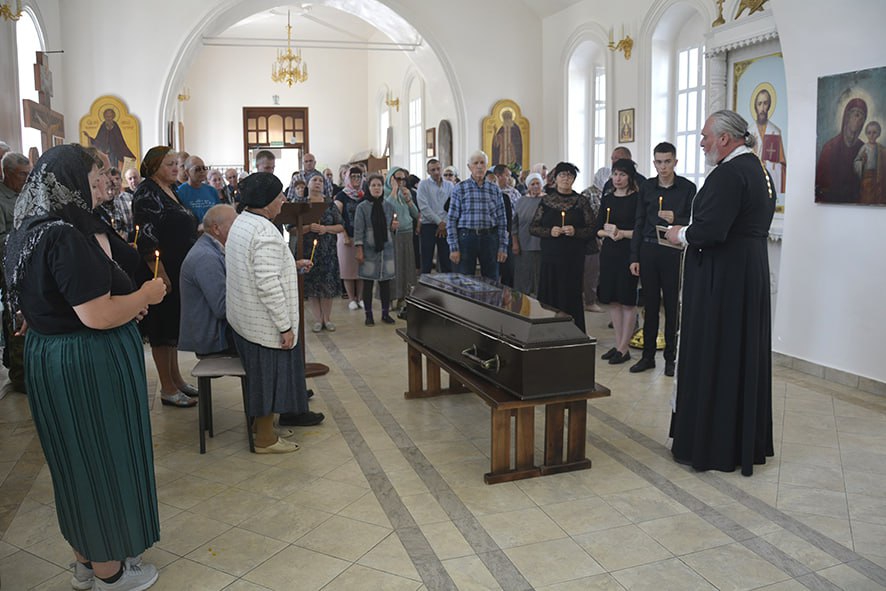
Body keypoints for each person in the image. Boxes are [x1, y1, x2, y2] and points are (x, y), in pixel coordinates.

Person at [5, 144, 167, 591]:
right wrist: (144, 296)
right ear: (69, 184)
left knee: (73, 461)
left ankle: (87, 562)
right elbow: (96, 315)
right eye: (93, 182)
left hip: (49, 353)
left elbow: (32, 303)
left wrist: (122, 303)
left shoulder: (26, 227)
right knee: (102, 458)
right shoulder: (64, 236)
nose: (99, 190)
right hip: (86, 360)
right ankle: (110, 573)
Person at [665, 109, 776, 476]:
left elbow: (711, 231)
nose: (701, 143)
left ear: (725, 139)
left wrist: (680, 234)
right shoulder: (758, 169)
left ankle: (712, 444)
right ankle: (739, 441)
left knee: (717, 351)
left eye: (705, 136)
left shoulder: (729, 174)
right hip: (747, 272)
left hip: (723, 279)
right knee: (738, 353)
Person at [226, 172, 323, 453]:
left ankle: (262, 428)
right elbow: (267, 284)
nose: (283, 200)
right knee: (266, 379)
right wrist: (285, 326)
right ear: (266, 200)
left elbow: (255, 266)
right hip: (263, 325)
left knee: (261, 378)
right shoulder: (265, 231)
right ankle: (265, 439)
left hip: (244, 320)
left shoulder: (242, 222)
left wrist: (291, 265)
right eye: (279, 195)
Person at [132, 146, 199, 407]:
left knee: (171, 327)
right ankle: (167, 388)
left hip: (177, 266)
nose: (175, 168)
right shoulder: (147, 192)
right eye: (169, 164)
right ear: (153, 166)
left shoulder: (171, 190)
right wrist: (159, 272)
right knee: (161, 328)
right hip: (160, 268)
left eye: (176, 164)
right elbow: (146, 234)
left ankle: (177, 379)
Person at [628, 142, 696, 376]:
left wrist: (676, 218)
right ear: (654, 163)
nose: (663, 166)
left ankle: (671, 357)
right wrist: (634, 256)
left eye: (667, 161)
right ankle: (647, 356)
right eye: (659, 162)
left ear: (675, 162)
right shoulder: (647, 187)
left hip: (673, 250)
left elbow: (695, 220)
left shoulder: (687, 188)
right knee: (650, 303)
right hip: (648, 249)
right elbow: (638, 222)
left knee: (671, 305)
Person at [529, 162, 595, 332]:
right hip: (551, 256)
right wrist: (550, 231)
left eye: (569, 175)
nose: (566, 179)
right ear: (555, 178)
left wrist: (575, 231)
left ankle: (572, 332)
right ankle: (548, 332)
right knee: (550, 295)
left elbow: (591, 229)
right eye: (562, 175)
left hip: (573, 258)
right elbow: (533, 227)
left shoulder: (581, 201)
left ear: (574, 179)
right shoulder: (546, 201)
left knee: (570, 294)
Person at [594, 159, 640, 365]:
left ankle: (624, 347)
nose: (618, 179)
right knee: (613, 299)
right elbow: (598, 229)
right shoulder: (608, 198)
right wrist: (608, 232)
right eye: (615, 174)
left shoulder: (637, 199)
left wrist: (622, 233)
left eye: (622, 174)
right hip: (610, 253)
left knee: (627, 300)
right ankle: (619, 343)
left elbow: (641, 230)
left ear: (630, 177)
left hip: (629, 252)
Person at [179, 204, 238, 356]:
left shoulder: (212, 248)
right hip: (215, 339)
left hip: (219, 333)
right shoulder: (206, 257)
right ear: (216, 229)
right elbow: (223, 308)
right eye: (234, 224)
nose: (239, 229)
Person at [446, 150, 508, 280]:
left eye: (482, 163)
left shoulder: (494, 189)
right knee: (464, 280)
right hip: (466, 238)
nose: (479, 166)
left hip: (489, 238)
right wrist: (453, 247)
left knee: (492, 279)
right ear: (469, 167)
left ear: (486, 166)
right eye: (475, 163)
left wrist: (503, 247)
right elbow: (451, 220)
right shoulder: (460, 188)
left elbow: (502, 220)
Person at [0, 152, 32, 394]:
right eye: (23, 174)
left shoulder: (27, 194)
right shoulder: (1, 200)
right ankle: (20, 374)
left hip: (29, 265)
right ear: (8, 173)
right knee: (16, 316)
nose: (27, 178)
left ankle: (30, 366)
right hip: (11, 268)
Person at [298, 175, 344, 332]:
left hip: (327, 251)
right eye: (314, 180)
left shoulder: (329, 204)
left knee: (327, 285)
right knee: (312, 285)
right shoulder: (301, 204)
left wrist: (326, 229)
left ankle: (327, 318)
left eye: (321, 181)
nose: (318, 183)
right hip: (308, 250)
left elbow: (340, 226)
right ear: (308, 184)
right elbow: (292, 229)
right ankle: (318, 319)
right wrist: (308, 228)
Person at [355, 173, 398, 325]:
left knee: (385, 283)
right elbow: (358, 230)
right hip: (369, 250)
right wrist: (359, 249)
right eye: (373, 185)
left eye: (379, 185)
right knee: (368, 283)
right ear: (368, 187)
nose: (377, 188)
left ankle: (385, 313)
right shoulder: (362, 207)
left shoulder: (389, 206)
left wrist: (394, 227)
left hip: (386, 250)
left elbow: (391, 229)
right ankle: (368, 315)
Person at [815, 98, 867, 203]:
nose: (859, 119)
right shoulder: (830, 147)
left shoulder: (863, 149)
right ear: (847, 116)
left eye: (862, 117)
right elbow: (820, 185)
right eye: (856, 114)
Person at [385, 167, 419, 312]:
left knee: (406, 267)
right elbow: (387, 208)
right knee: (394, 268)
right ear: (390, 179)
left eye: (403, 179)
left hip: (407, 233)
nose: (400, 182)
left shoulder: (404, 193)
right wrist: (393, 190)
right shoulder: (386, 193)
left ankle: (403, 298)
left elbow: (416, 214)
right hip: (394, 235)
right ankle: (390, 298)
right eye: (397, 179)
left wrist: (409, 200)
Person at [416, 158, 454, 274]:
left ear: (441, 168)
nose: (436, 172)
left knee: (446, 260)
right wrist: (439, 222)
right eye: (433, 170)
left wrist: (444, 223)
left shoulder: (449, 185)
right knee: (426, 261)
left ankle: (446, 284)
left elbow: (452, 205)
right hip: (429, 225)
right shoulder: (423, 185)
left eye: (438, 169)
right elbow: (424, 207)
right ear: (428, 171)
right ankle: (425, 284)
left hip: (445, 226)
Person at [335, 167, 365, 310]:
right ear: (347, 178)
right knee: (347, 269)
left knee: (361, 269)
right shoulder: (341, 195)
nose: (356, 180)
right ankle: (351, 298)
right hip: (346, 236)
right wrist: (344, 235)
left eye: (359, 177)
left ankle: (360, 298)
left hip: (361, 237)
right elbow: (337, 216)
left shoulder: (364, 195)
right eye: (353, 177)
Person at [580, 167, 610, 313]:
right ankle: (589, 300)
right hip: (591, 238)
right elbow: (585, 218)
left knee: (601, 270)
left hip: (607, 236)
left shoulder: (609, 194)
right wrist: (595, 235)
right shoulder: (588, 193)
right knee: (591, 271)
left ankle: (600, 296)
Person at [749, 88, 786, 194]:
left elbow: (783, 166)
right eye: (759, 104)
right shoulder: (749, 132)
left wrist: (769, 165)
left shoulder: (775, 132)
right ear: (755, 107)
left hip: (769, 183)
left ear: (769, 106)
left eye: (765, 103)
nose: (762, 108)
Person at [512, 172, 543, 295]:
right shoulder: (521, 201)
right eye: (532, 184)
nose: (535, 186)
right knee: (524, 275)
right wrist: (515, 242)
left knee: (540, 276)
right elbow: (514, 224)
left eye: (538, 183)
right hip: (524, 243)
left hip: (542, 244)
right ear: (528, 186)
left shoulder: (547, 200)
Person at [493, 164, 519, 286]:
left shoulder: (514, 192)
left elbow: (517, 213)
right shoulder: (490, 192)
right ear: (498, 176)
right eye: (507, 175)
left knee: (508, 268)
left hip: (509, 232)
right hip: (492, 234)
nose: (510, 178)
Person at [178, 155, 221, 223]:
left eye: (204, 168)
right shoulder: (180, 192)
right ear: (187, 172)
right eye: (197, 169)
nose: (202, 171)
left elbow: (218, 213)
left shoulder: (212, 191)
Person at [854, 120, 886, 204]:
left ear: (878, 134)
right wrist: (862, 162)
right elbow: (857, 161)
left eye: (874, 132)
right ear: (866, 134)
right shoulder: (864, 148)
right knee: (867, 198)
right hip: (866, 179)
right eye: (869, 133)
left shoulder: (881, 149)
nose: (871, 135)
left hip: (877, 177)